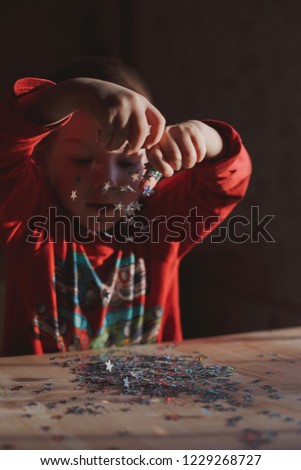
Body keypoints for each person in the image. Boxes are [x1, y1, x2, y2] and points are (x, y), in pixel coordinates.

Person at [0, 57, 252, 356]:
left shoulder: (163, 224)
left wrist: (204, 138)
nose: (108, 180)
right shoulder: (29, 219)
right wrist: (73, 94)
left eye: (127, 162)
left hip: (150, 399)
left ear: (149, 162)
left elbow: (229, 182)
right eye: (81, 160)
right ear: (43, 159)